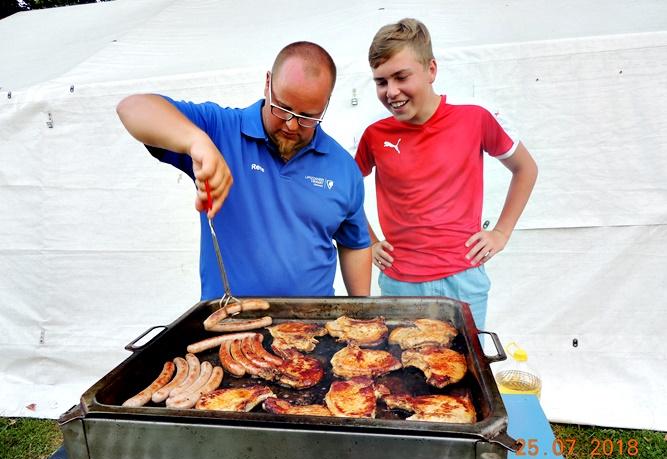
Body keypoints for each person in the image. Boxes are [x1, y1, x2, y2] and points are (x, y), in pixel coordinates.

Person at [117, 42, 371, 300]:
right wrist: (196, 141)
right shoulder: (220, 130)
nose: (292, 125)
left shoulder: (343, 167)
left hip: (315, 322)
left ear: (326, 104)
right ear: (268, 83)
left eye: (307, 117)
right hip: (231, 319)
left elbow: (355, 244)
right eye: (282, 108)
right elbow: (132, 107)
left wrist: (363, 312)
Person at [355, 19, 538, 329]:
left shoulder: (475, 119)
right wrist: (370, 241)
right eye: (381, 82)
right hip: (401, 285)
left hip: (464, 281)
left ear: (431, 70)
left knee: (468, 360)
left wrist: (501, 233)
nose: (392, 91)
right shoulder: (374, 135)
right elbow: (345, 192)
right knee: (404, 360)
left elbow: (526, 168)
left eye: (401, 77)